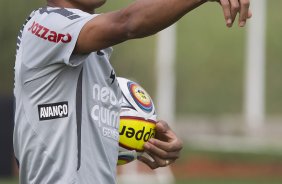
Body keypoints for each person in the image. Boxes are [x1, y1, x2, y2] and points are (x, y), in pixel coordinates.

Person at [13, 0, 251, 183]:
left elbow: (79, 140)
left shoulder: (97, 59)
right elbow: (127, 23)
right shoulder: (44, 26)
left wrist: (147, 139)